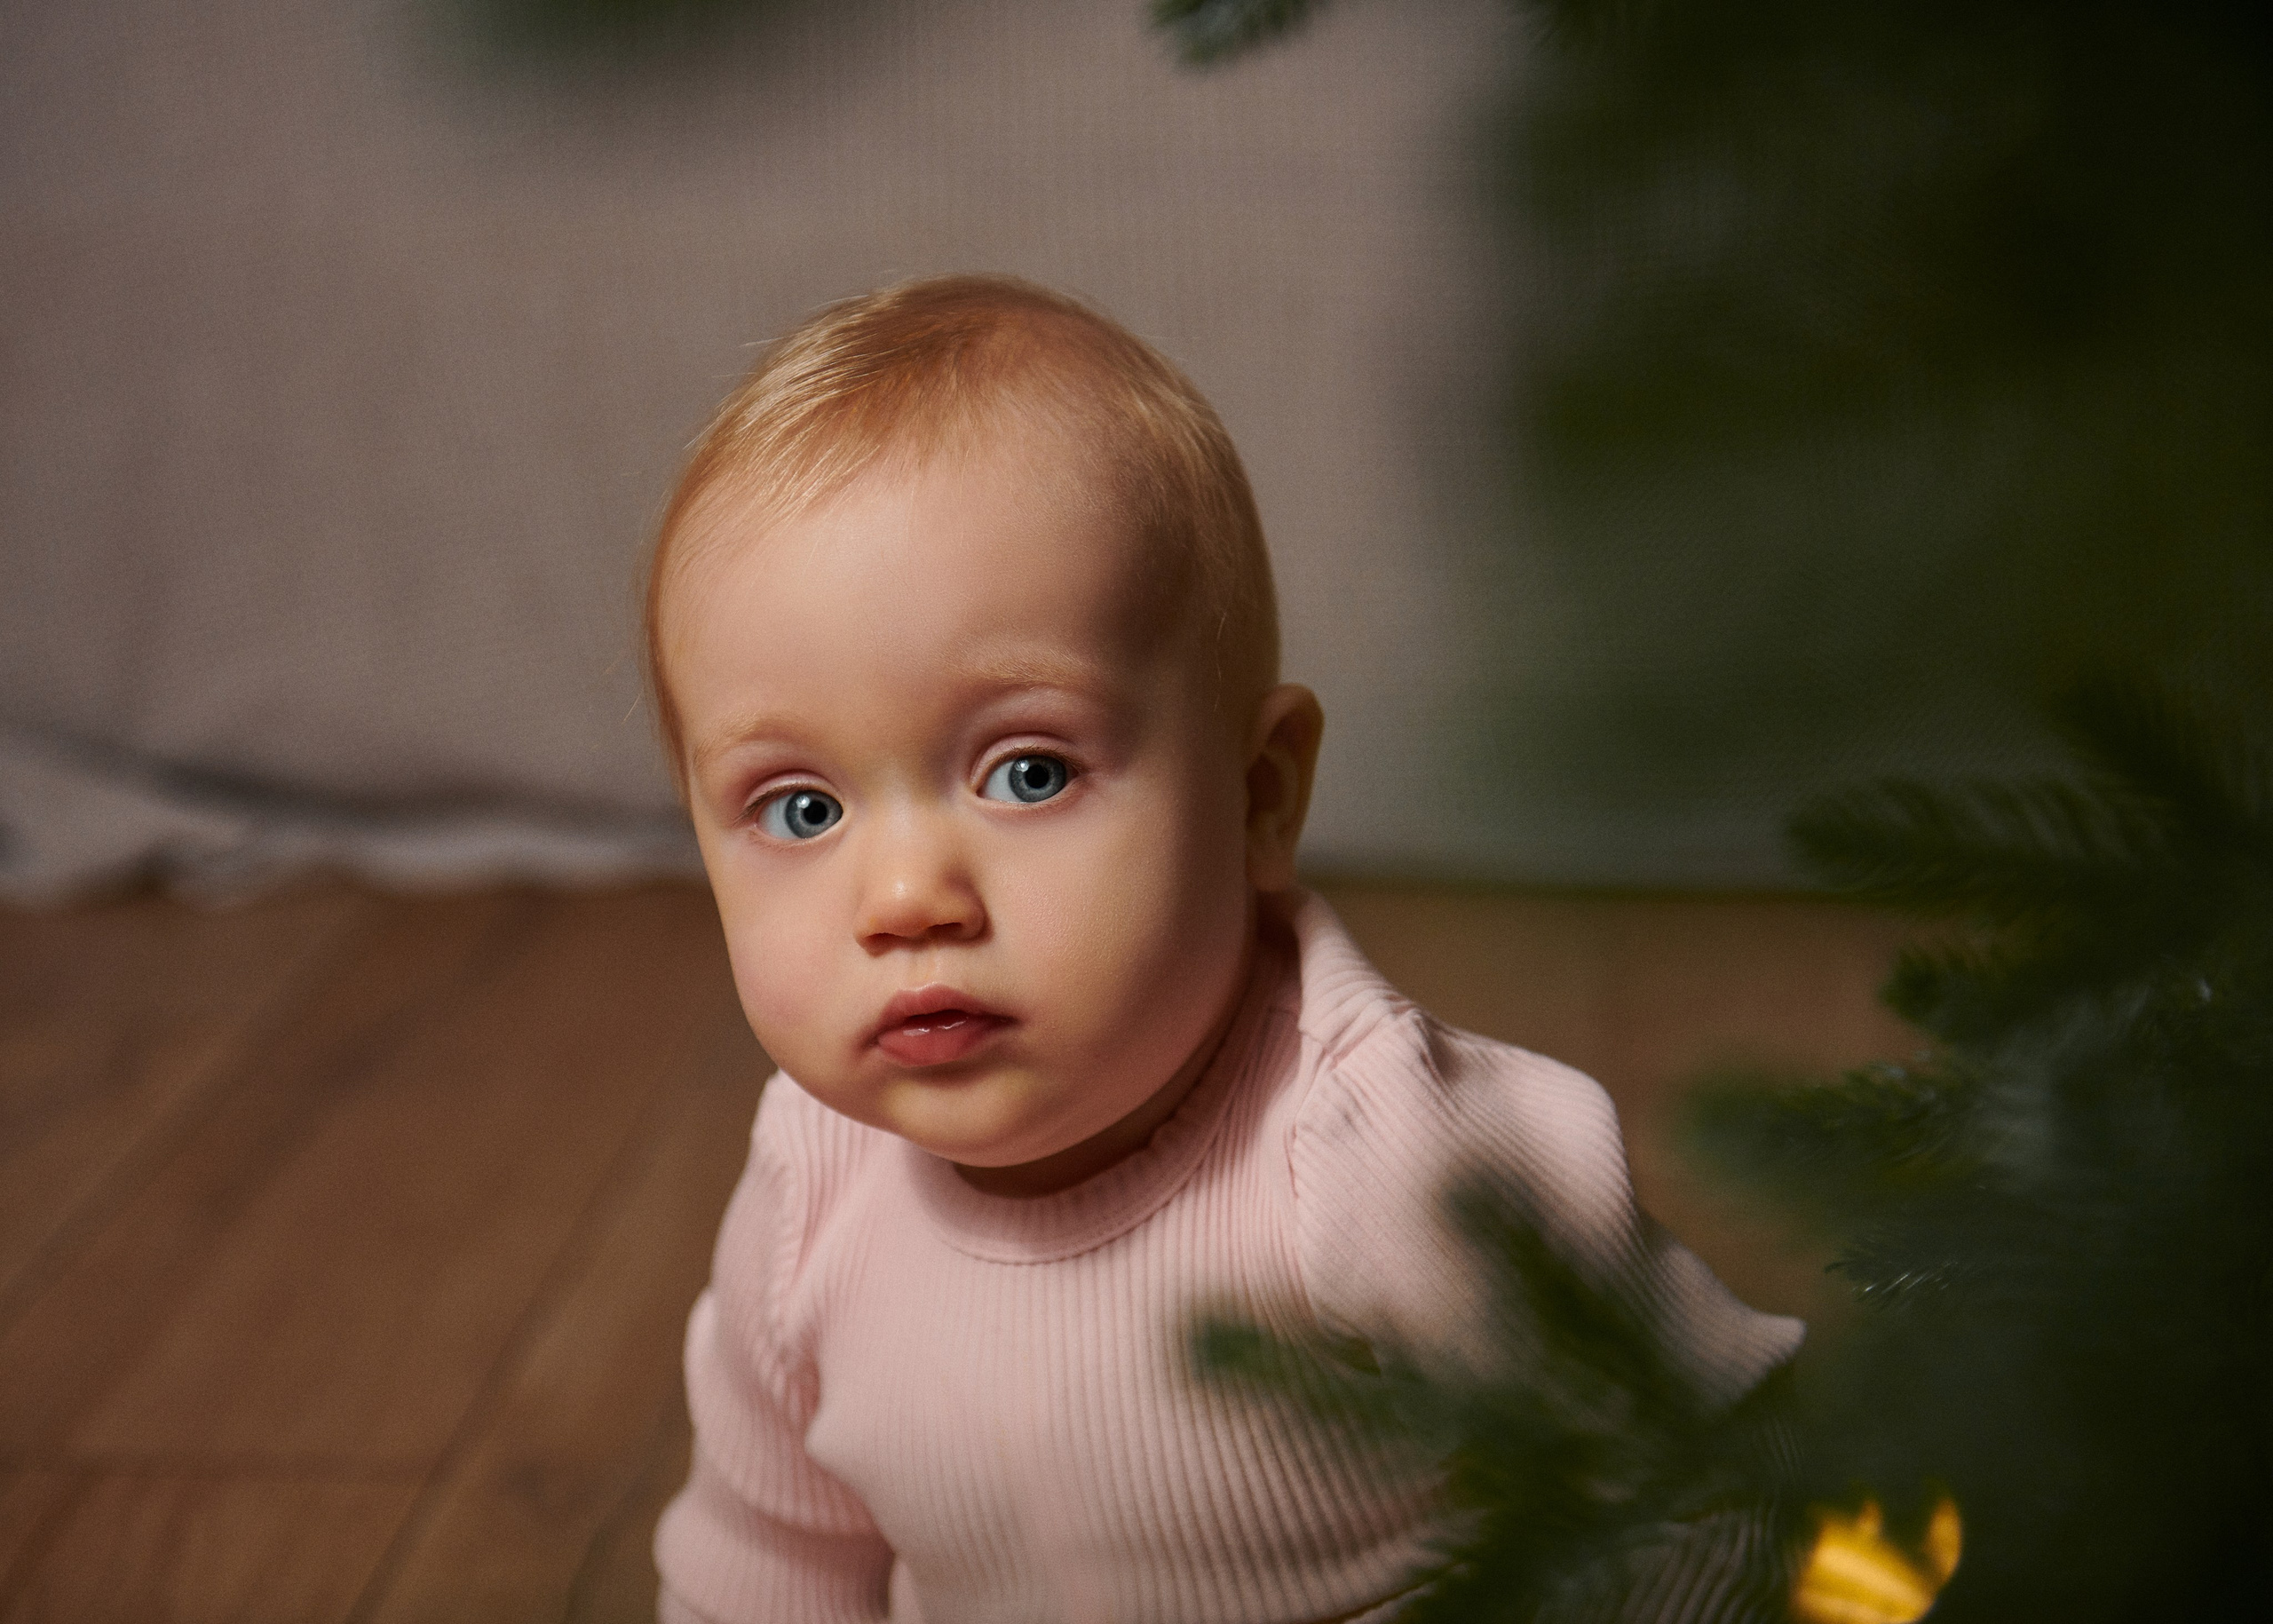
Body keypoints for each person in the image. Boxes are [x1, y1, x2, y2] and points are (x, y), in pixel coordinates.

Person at [645, 274, 1802, 1624]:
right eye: (803, 808)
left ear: (1259, 795)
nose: (905, 896)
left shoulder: (1389, 1163)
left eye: (1026, 773)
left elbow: (1714, 1488)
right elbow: (767, 1561)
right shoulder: (811, 1191)